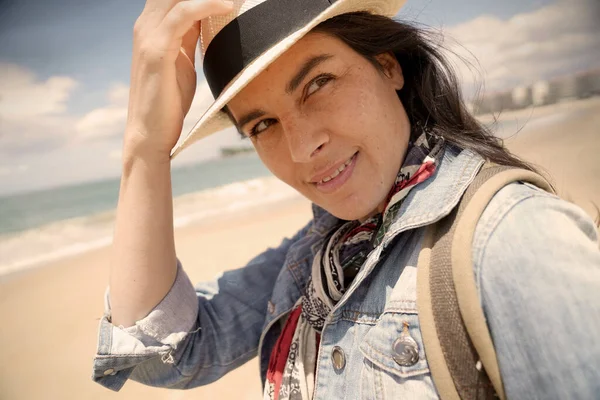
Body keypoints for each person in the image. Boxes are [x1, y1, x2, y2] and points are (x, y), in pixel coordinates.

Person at [92, 0, 600, 398]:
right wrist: (145, 150)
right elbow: (167, 354)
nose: (301, 146)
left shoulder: (512, 241)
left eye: (318, 83)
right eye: (262, 124)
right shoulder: (315, 256)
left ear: (388, 66)